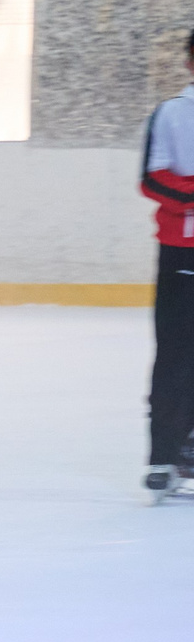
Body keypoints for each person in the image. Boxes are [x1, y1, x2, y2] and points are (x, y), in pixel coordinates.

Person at [142, 30, 194, 501]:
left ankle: (184, 448)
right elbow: (152, 178)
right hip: (183, 252)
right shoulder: (172, 114)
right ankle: (164, 454)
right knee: (176, 355)